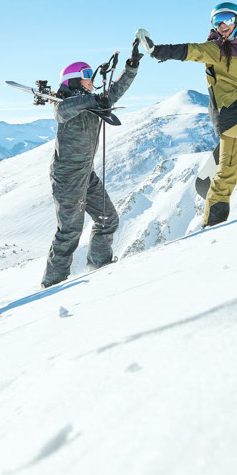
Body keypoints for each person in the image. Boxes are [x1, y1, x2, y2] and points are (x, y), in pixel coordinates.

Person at [138, 2, 237, 227]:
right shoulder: (216, 48)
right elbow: (190, 50)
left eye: (226, 18)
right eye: (216, 21)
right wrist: (157, 50)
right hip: (234, 113)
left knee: (228, 169)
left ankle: (211, 223)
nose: (221, 25)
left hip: (236, 115)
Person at [42, 39, 142, 288]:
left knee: (108, 219)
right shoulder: (64, 105)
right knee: (69, 232)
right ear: (73, 80)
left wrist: (130, 67)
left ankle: (99, 267)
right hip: (67, 177)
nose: (91, 78)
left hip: (87, 174)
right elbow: (64, 111)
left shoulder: (93, 102)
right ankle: (52, 284)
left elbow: (114, 91)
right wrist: (94, 100)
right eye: (86, 75)